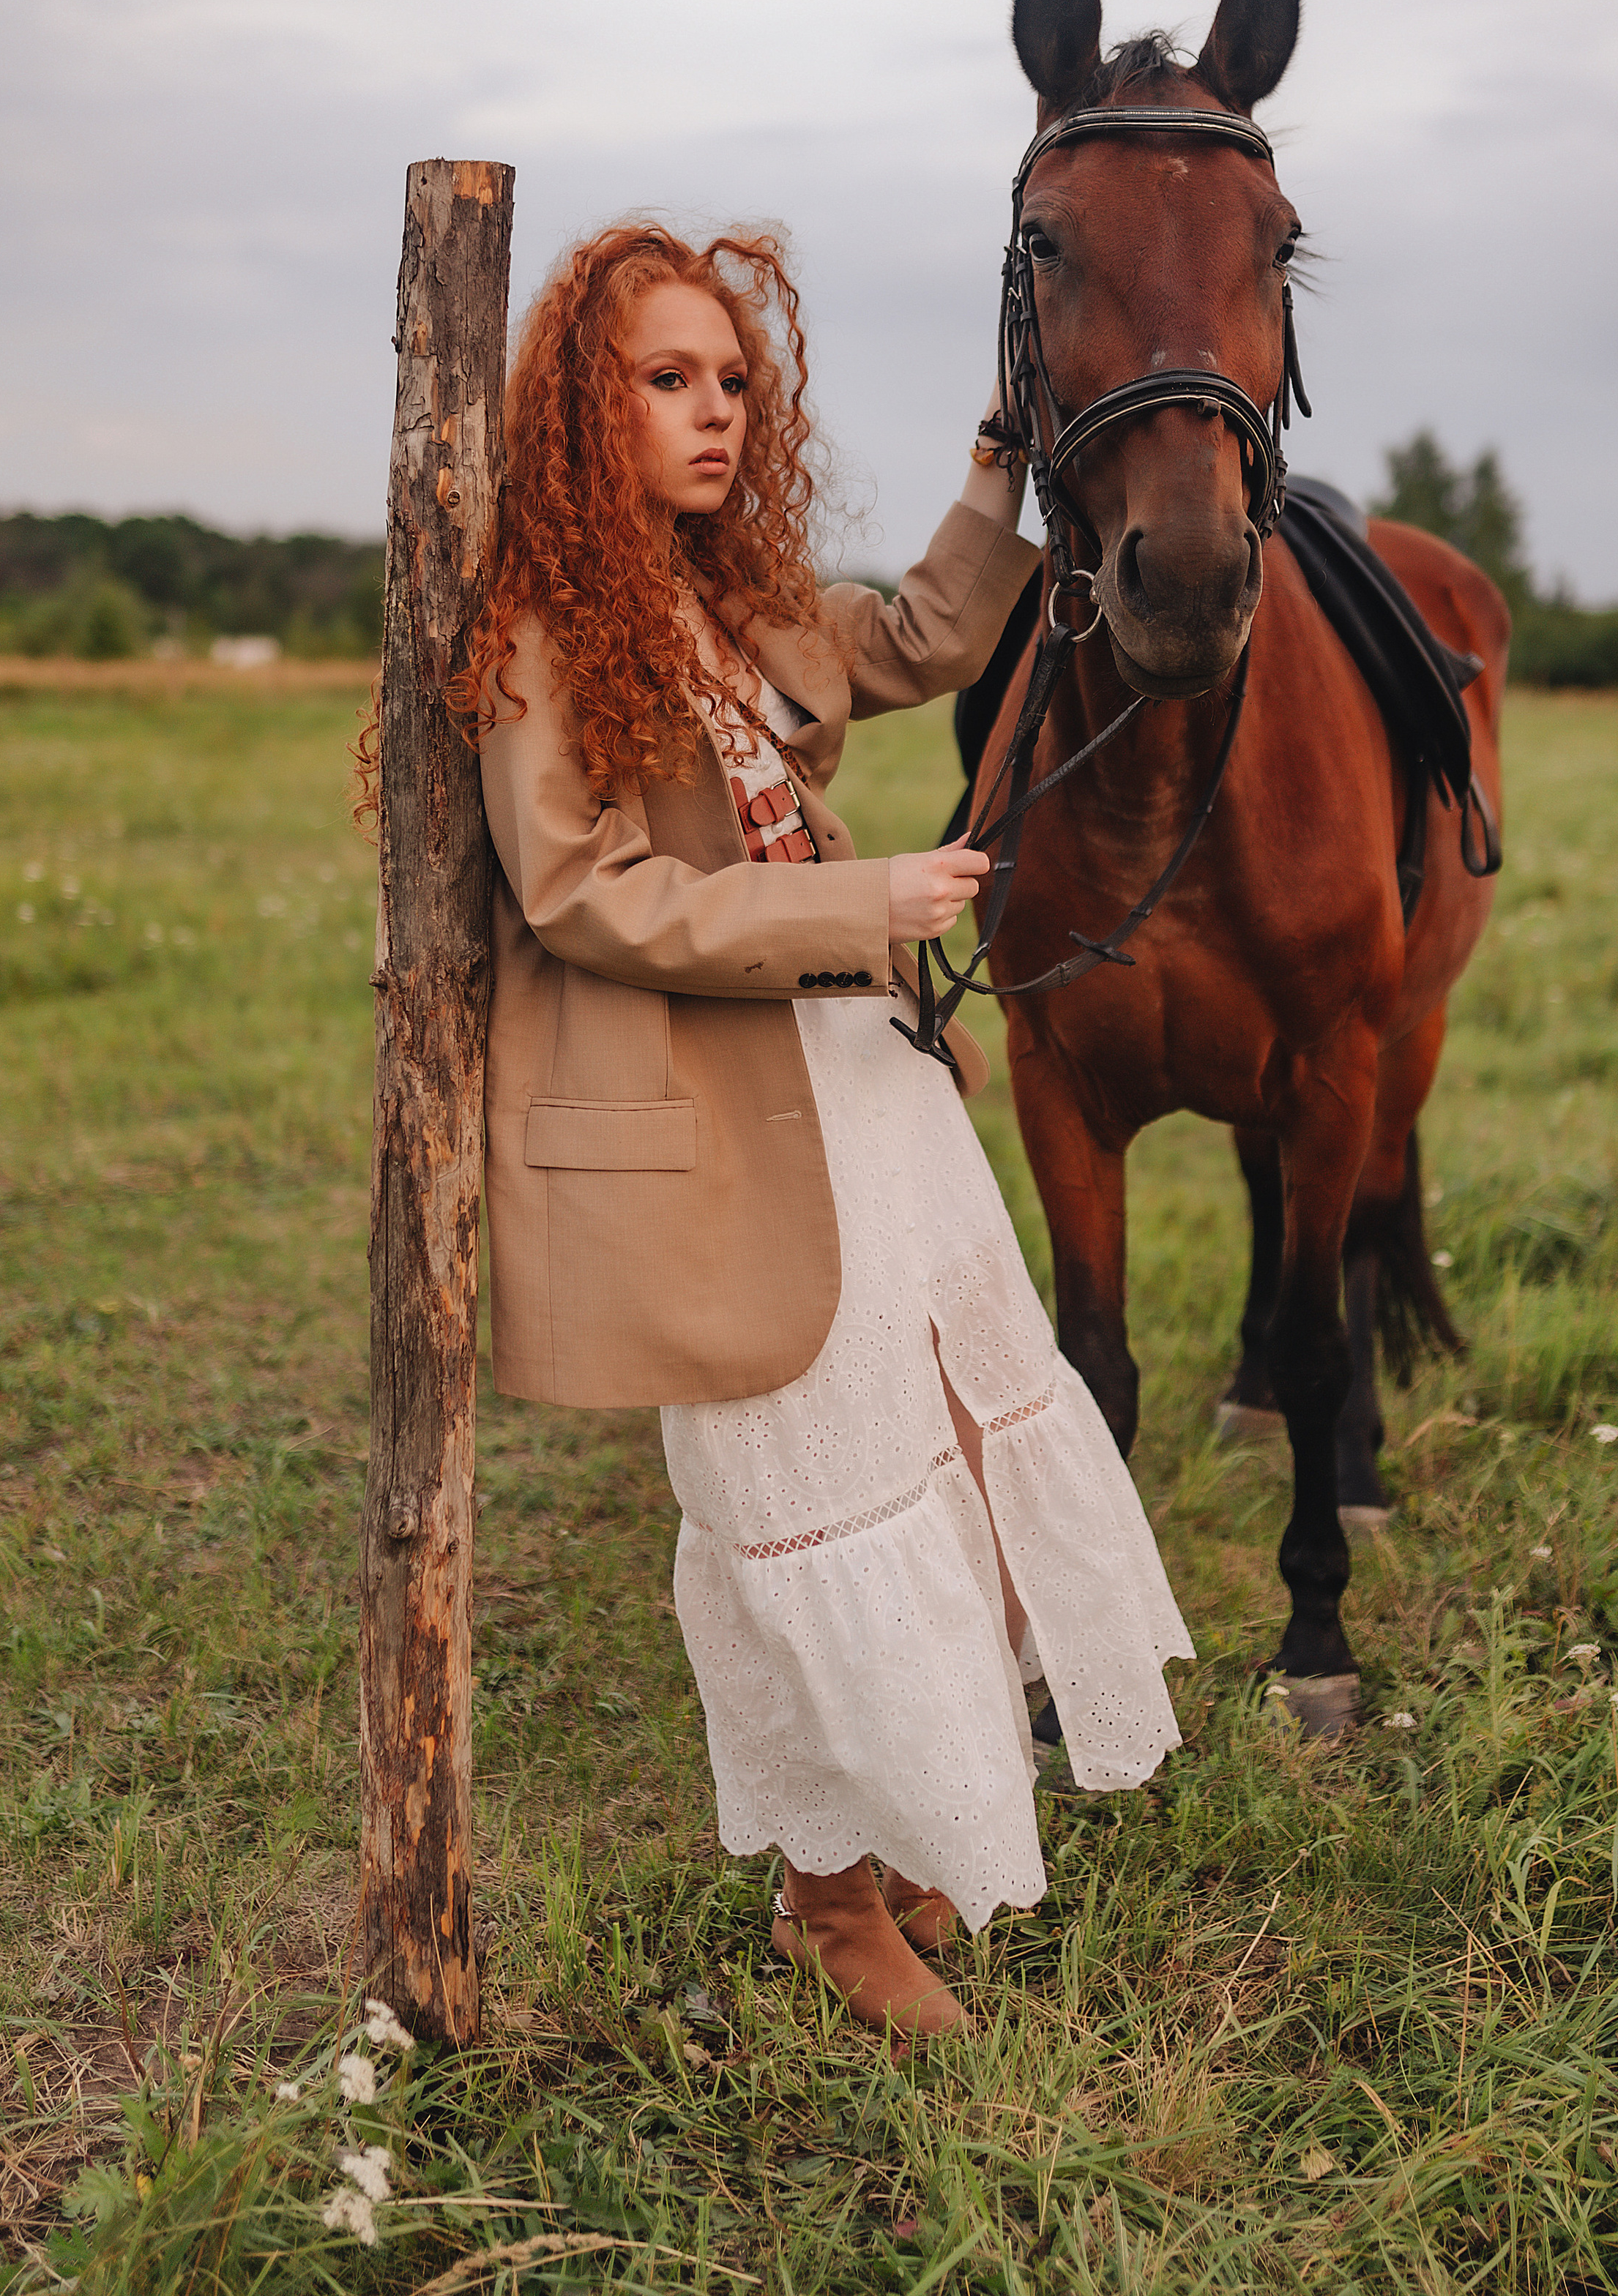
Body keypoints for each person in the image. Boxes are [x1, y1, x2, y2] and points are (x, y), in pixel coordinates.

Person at [457, 218, 1191, 2041]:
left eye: (730, 380)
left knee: (931, 1443)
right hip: (714, 1115)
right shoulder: (540, 630)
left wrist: (1000, 461)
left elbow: (932, 630)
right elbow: (581, 895)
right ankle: (826, 1898)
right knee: (793, 1481)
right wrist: (853, 903)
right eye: (666, 379)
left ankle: (907, 1811)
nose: (714, 412)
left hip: (867, 1088)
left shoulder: (740, 593)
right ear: (579, 407)